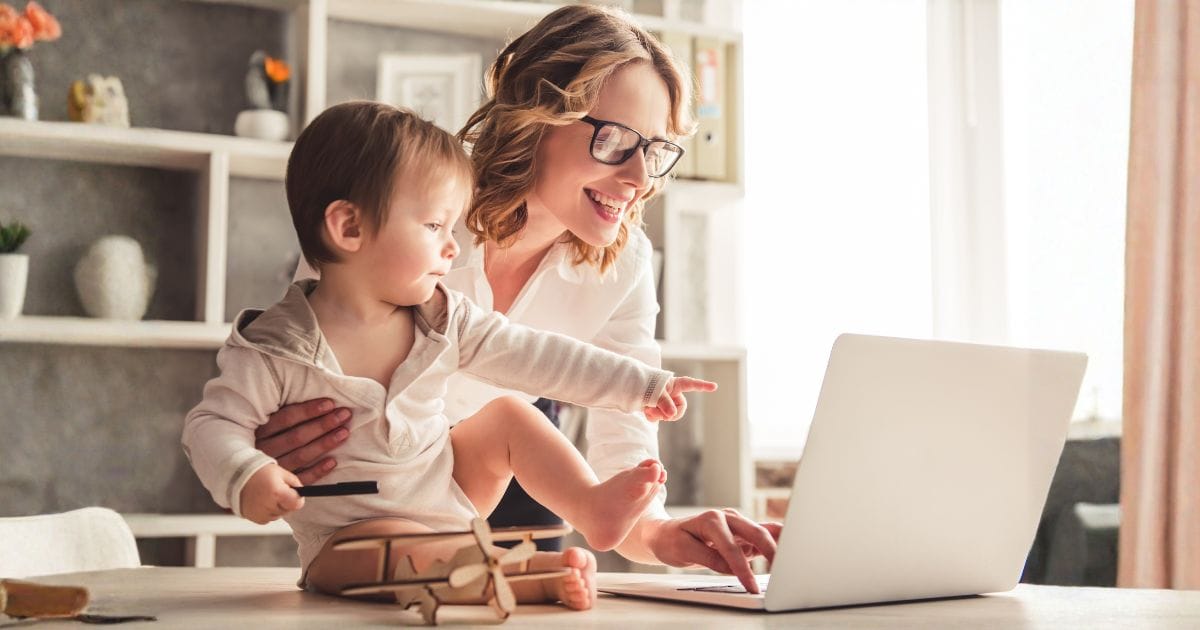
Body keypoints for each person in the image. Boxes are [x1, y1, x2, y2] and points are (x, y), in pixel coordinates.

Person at [255, 4, 781, 593]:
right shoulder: (407, 216)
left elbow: (623, 451)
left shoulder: (625, 265)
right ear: (538, 117)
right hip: (372, 494)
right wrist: (263, 444)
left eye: (654, 150)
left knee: (519, 436)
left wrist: (661, 534)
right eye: (615, 140)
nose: (639, 178)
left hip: (501, 477)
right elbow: (285, 375)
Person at [181, 101, 716, 610]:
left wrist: (643, 385)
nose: (452, 246)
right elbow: (211, 425)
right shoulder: (277, 345)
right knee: (396, 552)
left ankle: (590, 506)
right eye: (435, 227)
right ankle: (518, 579)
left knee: (511, 413)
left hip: (450, 498)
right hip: (348, 543)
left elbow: (540, 356)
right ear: (349, 228)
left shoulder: (442, 317)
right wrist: (247, 473)